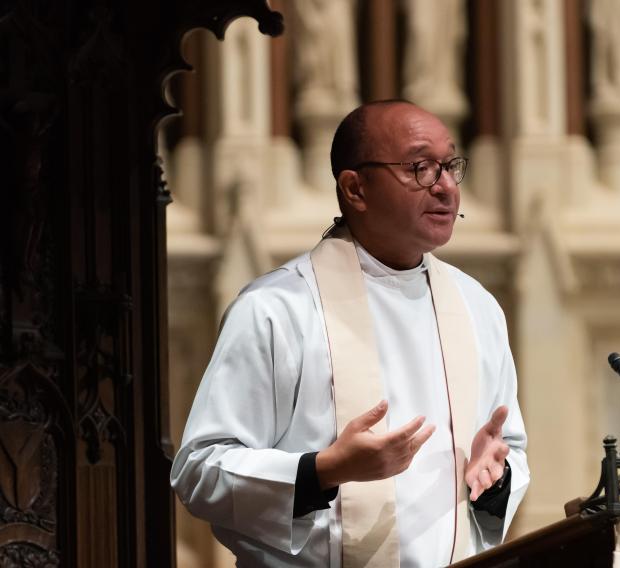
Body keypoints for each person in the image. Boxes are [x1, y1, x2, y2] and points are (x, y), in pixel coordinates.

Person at [171, 100, 529, 567]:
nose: (445, 188)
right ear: (354, 188)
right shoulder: (277, 310)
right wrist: (322, 471)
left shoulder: (476, 306)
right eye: (421, 167)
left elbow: (511, 450)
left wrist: (495, 477)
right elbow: (200, 471)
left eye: (450, 166)